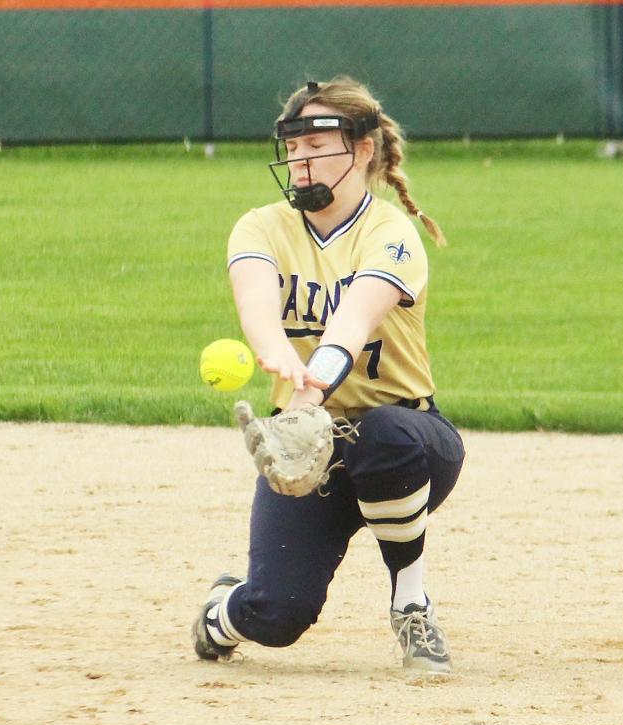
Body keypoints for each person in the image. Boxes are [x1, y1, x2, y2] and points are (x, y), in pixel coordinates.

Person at [191, 77, 465, 673]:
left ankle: (411, 605)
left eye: (316, 148)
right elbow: (257, 302)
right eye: (293, 150)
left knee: (385, 434)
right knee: (279, 613)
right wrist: (275, 355)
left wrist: (312, 381)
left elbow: (354, 319)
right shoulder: (260, 226)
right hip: (303, 444)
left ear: (363, 151)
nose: (300, 163)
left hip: (412, 439)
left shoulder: (391, 234)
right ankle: (222, 612)